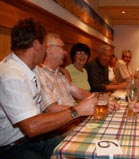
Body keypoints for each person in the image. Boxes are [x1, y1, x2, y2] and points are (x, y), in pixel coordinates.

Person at [0, 18, 96, 159]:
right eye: (45, 45)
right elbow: (32, 127)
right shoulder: (11, 74)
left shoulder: (30, 69)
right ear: (36, 45)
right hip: (13, 148)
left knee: (84, 150)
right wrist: (78, 110)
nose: (46, 51)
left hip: (34, 140)